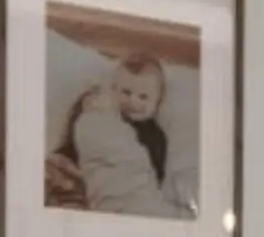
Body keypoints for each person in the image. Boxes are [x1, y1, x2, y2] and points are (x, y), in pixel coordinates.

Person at [56, 51, 186, 218]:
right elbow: (80, 142)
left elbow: (152, 175)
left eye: (143, 97)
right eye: (126, 92)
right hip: (85, 179)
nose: (133, 102)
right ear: (114, 90)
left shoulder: (154, 135)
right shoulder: (103, 117)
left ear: (157, 103)